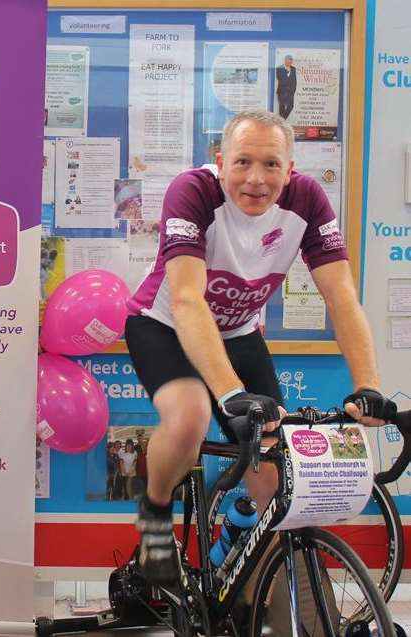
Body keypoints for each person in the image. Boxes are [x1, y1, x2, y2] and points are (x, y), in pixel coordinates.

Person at [125, 109, 396, 588]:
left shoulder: (308, 200)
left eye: (271, 165)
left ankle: (252, 587)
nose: (256, 178)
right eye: (243, 162)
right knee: (188, 417)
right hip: (164, 324)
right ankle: (155, 511)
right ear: (220, 161)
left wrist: (368, 385)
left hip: (237, 331)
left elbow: (341, 298)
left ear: (290, 170)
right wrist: (230, 392)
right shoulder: (192, 191)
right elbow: (188, 300)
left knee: (273, 473)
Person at [275, 55, 297, 119]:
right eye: (288, 60)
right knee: (282, 107)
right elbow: (280, 78)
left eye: (290, 61)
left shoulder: (293, 69)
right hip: (282, 91)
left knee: (290, 106)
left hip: (290, 92)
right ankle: (282, 121)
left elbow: (294, 80)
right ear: (285, 60)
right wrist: (287, 72)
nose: (289, 62)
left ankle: (282, 120)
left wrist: (293, 90)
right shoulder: (279, 68)